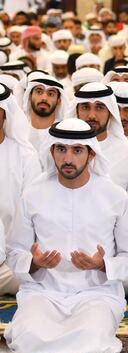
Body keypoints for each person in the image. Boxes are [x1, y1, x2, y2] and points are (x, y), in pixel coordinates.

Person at [5, 118, 128, 353]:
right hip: (44, 291)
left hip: (96, 293)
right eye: (61, 149)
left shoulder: (115, 197)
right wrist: (35, 262)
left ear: (91, 154)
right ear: (52, 151)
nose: (68, 159)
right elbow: (15, 252)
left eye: (77, 150)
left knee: (93, 339)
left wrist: (102, 264)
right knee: (28, 338)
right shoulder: (33, 195)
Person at [71, 82, 128, 206]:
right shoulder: (61, 151)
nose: (92, 115)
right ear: (76, 111)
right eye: (85, 107)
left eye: (99, 107)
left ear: (110, 112)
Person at [0, 83, 40, 294]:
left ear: (5, 114)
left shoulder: (25, 155)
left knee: (34, 274)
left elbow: (32, 210)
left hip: (12, 257)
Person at [22, 74, 67, 150]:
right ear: (30, 96)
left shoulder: (65, 131)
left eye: (50, 94)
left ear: (58, 101)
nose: (44, 98)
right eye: (39, 92)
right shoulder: (18, 129)